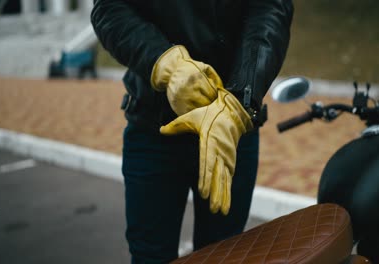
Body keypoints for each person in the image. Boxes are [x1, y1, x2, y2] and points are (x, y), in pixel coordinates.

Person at [91, 0, 293, 263]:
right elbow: (110, 8)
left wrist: (240, 99)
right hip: (154, 128)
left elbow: (269, 7)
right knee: (150, 255)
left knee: (223, 255)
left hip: (228, 130)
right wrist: (165, 64)